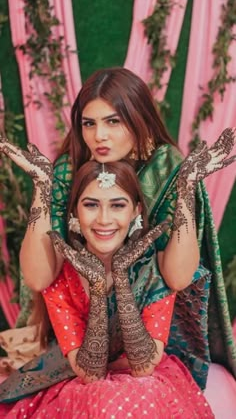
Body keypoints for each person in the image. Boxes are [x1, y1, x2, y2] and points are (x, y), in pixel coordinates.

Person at [0, 67, 235, 394]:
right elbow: (40, 278)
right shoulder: (70, 168)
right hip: (79, 323)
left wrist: (186, 187)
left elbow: (177, 278)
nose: (100, 136)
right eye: (89, 123)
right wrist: (42, 186)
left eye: (113, 121)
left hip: (152, 323)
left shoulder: (164, 166)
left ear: (140, 119)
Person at [0, 160, 214, 417]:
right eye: (91, 205)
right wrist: (98, 289)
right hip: (81, 376)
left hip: (146, 379)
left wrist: (122, 280)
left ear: (135, 211)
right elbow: (91, 374)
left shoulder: (152, 271)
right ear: (75, 213)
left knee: (141, 391)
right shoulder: (61, 278)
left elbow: (143, 369)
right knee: (100, 398)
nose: (104, 219)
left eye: (117, 205)